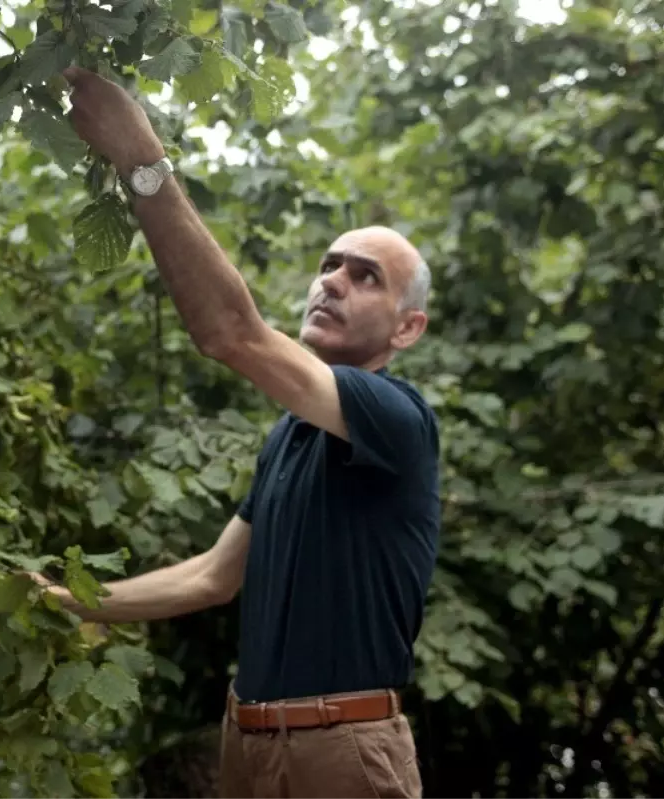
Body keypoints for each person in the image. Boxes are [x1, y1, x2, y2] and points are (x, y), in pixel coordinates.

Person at [36, 66, 442, 799]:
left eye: (365, 276)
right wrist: (75, 599)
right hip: (247, 742)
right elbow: (212, 576)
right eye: (328, 266)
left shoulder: (398, 416)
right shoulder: (291, 435)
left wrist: (141, 159)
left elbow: (230, 331)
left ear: (408, 327)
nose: (332, 282)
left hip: (341, 751)